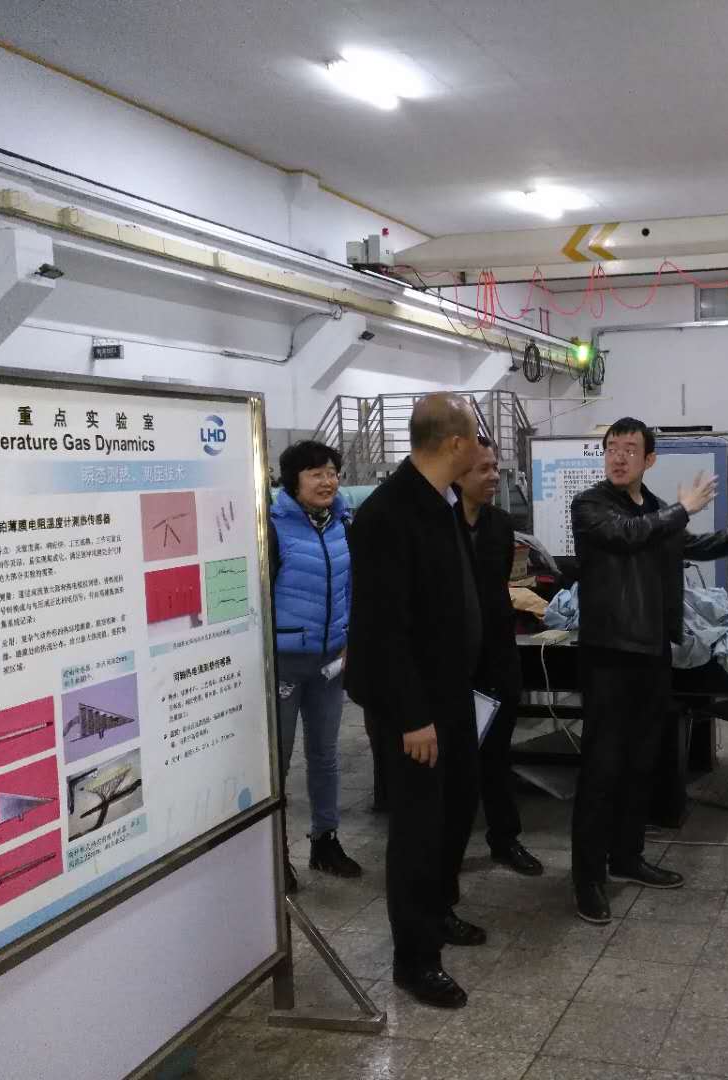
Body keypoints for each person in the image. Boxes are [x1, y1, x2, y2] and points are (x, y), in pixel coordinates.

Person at [570, 417, 728, 924]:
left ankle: (627, 857)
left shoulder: (656, 510)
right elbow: (626, 536)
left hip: (651, 653)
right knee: (601, 769)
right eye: (612, 448)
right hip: (609, 656)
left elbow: (697, 546)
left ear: (649, 459)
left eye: (630, 449)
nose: (618, 456)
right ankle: (587, 879)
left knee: (641, 762)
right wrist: (682, 509)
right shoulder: (590, 506)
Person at [345, 393, 486, 1010]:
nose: (482, 447)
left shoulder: (442, 502)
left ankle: (437, 912)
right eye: (476, 436)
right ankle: (414, 959)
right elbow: (382, 629)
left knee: (454, 812)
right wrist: (411, 717)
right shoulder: (388, 513)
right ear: (455, 443)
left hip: (449, 692)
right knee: (418, 831)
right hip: (413, 708)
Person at [270, 440, 360, 893]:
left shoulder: (341, 524)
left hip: (330, 661)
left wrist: (348, 639)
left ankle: (325, 841)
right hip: (286, 663)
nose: (327, 481)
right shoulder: (273, 528)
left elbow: (349, 589)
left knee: (325, 755)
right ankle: (275, 855)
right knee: (279, 762)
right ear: (294, 481)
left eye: (331, 472)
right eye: (316, 473)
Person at [458, 437, 542, 877]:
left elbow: (497, 590)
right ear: (457, 473)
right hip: (453, 665)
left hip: (497, 658)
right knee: (453, 764)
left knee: (497, 756)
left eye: (495, 467)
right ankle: (446, 849)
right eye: (484, 469)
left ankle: (505, 839)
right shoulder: (438, 526)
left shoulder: (500, 524)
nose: (494, 476)